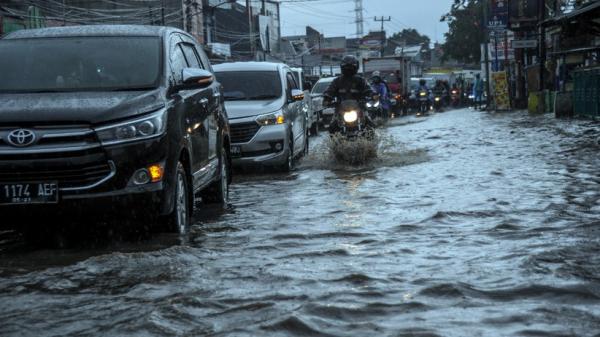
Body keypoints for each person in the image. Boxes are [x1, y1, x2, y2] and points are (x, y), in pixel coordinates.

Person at [323, 55, 375, 133]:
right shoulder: (337, 81)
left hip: (359, 108)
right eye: (346, 67)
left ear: (355, 67)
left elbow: (368, 88)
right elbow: (330, 90)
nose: (348, 69)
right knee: (332, 126)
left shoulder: (361, 80)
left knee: (370, 124)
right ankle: (334, 143)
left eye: (351, 67)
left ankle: (371, 143)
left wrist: (373, 95)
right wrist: (327, 98)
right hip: (341, 109)